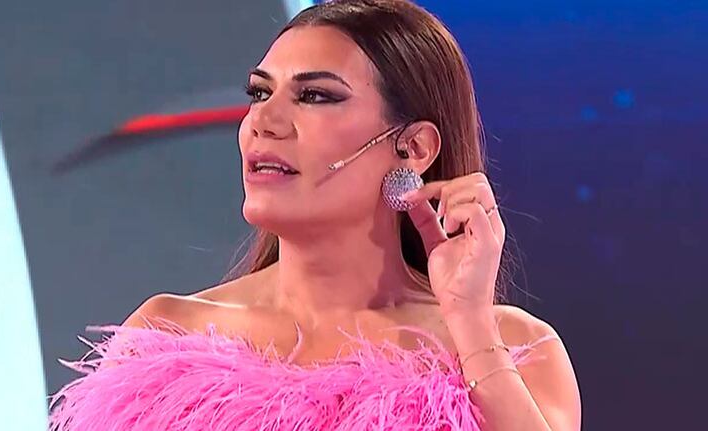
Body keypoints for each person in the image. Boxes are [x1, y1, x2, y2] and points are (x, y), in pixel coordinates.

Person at [48, 1, 581, 430]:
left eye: (315, 96)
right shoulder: (165, 338)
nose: (264, 120)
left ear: (414, 147)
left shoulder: (515, 348)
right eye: (260, 92)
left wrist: (470, 326)